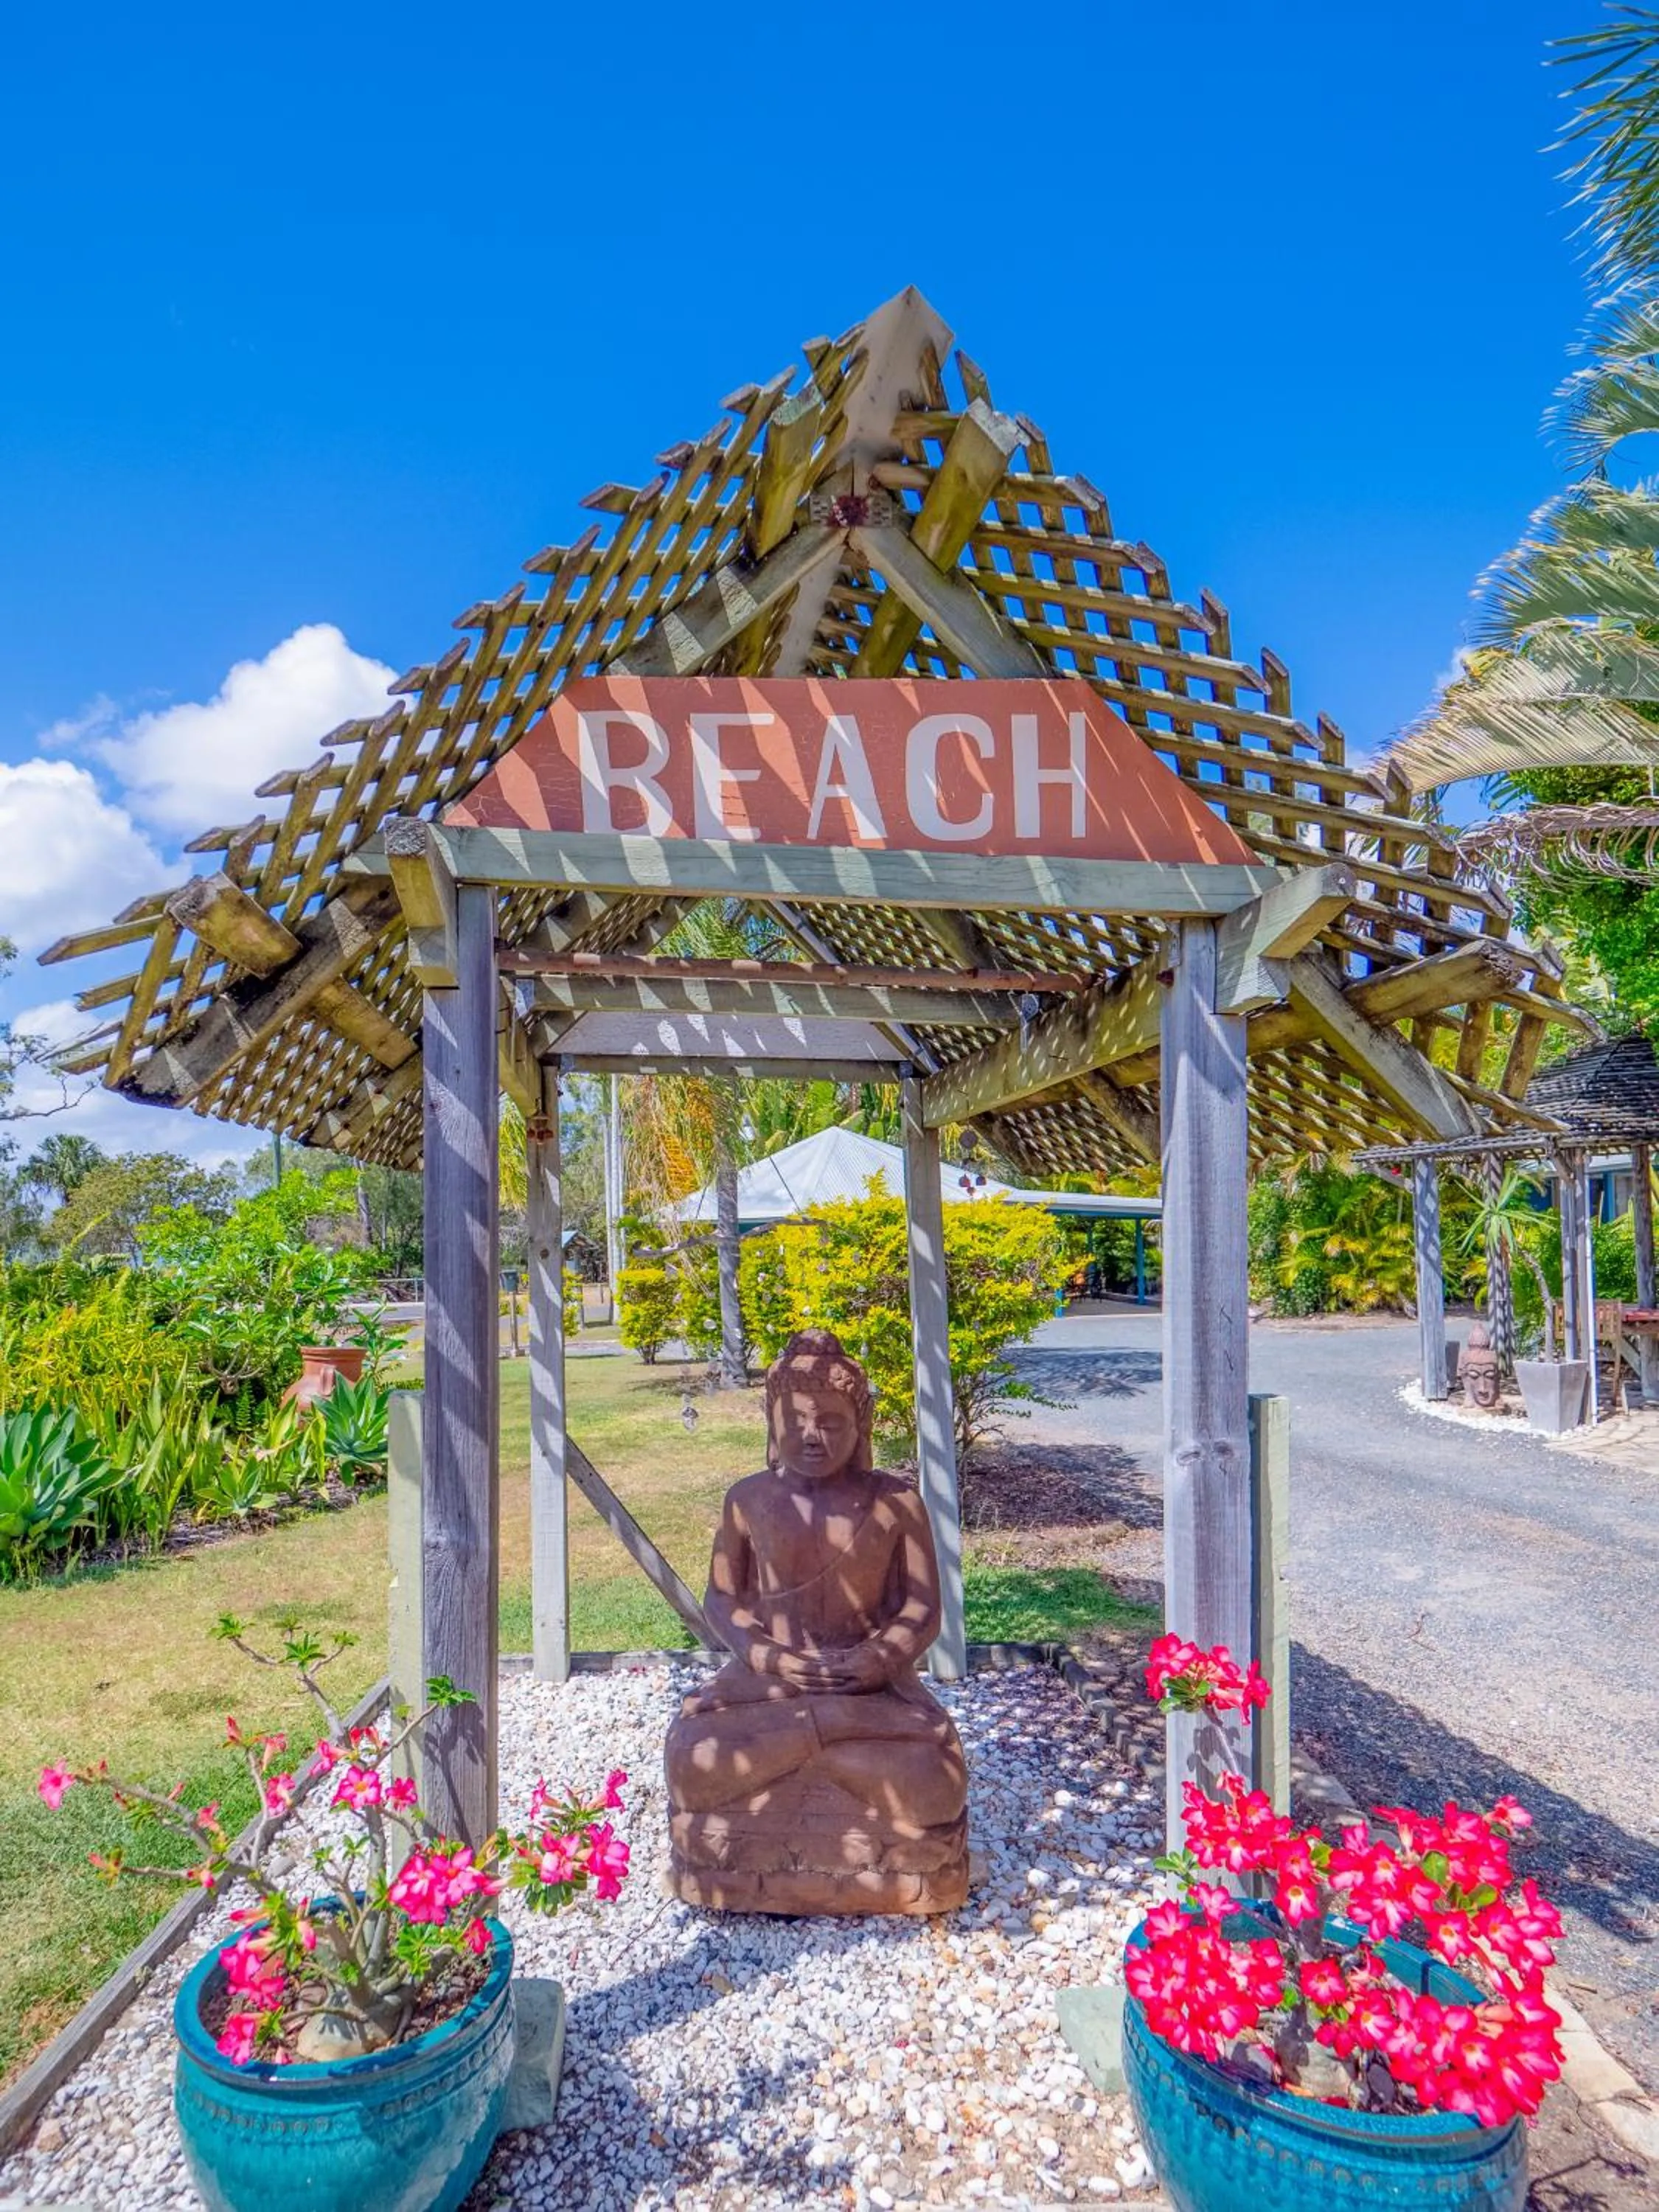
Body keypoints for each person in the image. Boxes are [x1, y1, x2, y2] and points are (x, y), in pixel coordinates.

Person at [664, 1329, 970, 1915]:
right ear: (772, 1423)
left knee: (937, 1776)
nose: (813, 1435)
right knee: (689, 1754)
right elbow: (722, 1600)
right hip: (770, 1681)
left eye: (832, 1422)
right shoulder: (747, 1499)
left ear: (860, 1430)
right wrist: (766, 1657)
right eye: (798, 1419)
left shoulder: (896, 1503)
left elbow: (923, 1608)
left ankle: (805, 1742)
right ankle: (826, 1732)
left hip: (868, 1686)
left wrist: (875, 1659)